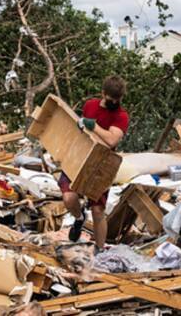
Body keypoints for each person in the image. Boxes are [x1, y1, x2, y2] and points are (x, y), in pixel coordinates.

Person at [58, 75, 129, 251]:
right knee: (69, 198)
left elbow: (112, 140)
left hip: (102, 166)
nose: (114, 102)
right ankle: (79, 218)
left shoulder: (121, 116)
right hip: (80, 157)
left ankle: (99, 250)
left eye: (117, 99)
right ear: (103, 93)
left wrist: (93, 125)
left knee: (98, 211)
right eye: (110, 98)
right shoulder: (90, 105)